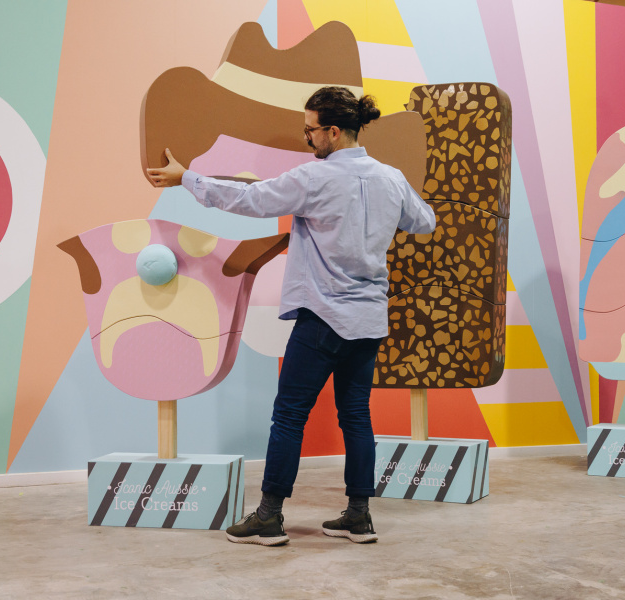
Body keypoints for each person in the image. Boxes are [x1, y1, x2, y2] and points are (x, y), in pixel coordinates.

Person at [146, 86, 435, 546]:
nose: (307, 138)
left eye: (310, 130)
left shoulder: (314, 178)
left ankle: (269, 516)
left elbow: (250, 200)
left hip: (322, 316)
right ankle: (359, 516)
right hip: (367, 319)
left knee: (289, 416)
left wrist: (188, 179)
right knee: (356, 416)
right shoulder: (391, 178)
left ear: (333, 132)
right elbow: (425, 221)